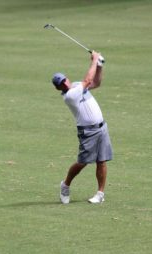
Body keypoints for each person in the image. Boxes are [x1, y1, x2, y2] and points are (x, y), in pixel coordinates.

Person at [51, 51, 113, 204]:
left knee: (102, 160)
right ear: (59, 88)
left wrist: (99, 66)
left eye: (65, 80)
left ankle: (100, 194)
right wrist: (94, 59)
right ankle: (65, 185)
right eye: (61, 84)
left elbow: (96, 82)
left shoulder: (77, 85)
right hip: (88, 132)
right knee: (82, 162)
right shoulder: (70, 95)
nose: (65, 83)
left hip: (101, 127)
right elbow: (88, 79)